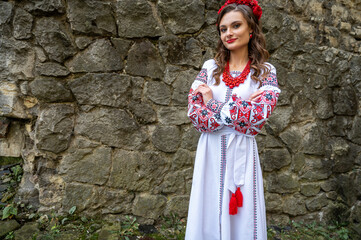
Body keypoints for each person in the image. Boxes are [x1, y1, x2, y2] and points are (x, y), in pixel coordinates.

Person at [185, 0, 281, 239]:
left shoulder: (266, 72)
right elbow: (196, 117)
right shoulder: (209, 68)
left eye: (235, 25)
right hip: (210, 152)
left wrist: (213, 104)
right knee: (207, 212)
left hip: (243, 155)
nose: (228, 33)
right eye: (223, 29)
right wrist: (242, 107)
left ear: (251, 29)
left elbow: (257, 120)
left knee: (244, 218)